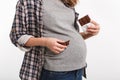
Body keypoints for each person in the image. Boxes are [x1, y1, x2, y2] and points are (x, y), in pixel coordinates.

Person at [9, 0, 100, 80]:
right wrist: (45, 42)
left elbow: (70, 36)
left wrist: (89, 34)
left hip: (79, 68)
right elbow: (16, 36)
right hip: (56, 71)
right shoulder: (28, 2)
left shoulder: (67, 2)